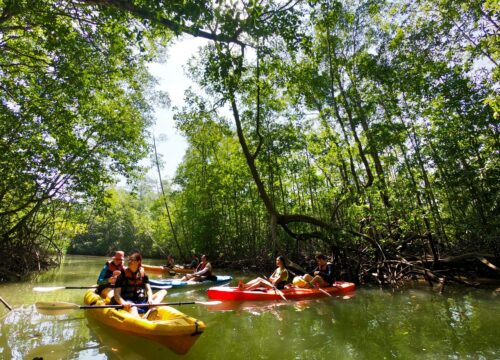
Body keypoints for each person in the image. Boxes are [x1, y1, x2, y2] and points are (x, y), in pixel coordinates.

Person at [113, 251, 167, 317]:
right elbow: (116, 295)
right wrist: (123, 303)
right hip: (128, 302)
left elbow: (148, 290)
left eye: (132, 260)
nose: (129, 262)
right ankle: (142, 319)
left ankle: (151, 309)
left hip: (141, 301)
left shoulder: (143, 275)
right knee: (133, 308)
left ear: (138, 262)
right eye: (129, 260)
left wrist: (150, 299)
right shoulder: (122, 275)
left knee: (163, 292)